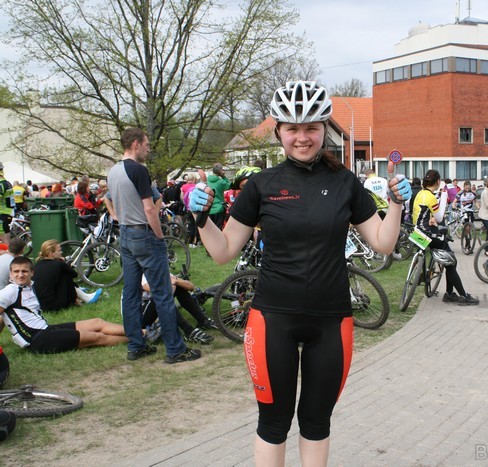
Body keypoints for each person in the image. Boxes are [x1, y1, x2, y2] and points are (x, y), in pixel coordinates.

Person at [188, 80, 412, 466]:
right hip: (272, 318)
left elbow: (383, 243)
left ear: (325, 128)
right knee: (274, 422)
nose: (303, 137)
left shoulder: (345, 183)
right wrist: (200, 217)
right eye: (292, 128)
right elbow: (223, 252)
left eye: (311, 127)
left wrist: (395, 205)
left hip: (332, 322)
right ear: (279, 132)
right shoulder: (261, 185)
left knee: (316, 421)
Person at [107, 127, 200, 364]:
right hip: (144, 234)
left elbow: (110, 201)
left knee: (130, 293)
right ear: (136, 144)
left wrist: (122, 218)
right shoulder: (138, 170)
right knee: (162, 294)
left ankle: (136, 346)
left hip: (126, 233)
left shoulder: (114, 170)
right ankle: (175, 349)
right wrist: (159, 237)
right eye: (147, 145)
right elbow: (150, 209)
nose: (149, 149)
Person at [0, 256, 128, 353]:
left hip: (45, 329)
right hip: (37, 339)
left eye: (24, 271)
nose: (20, 275)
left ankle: (143, 332)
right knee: (97, 337)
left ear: (32, 272)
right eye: (16, 271)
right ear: (11, 274)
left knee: (97, 322)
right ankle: (140, 340)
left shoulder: (29, 286)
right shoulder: (10, 291)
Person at [413, 169, 480, 306]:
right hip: (428, 235)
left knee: (446, 258)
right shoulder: (431, 197)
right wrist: (442, 203)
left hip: (416, 234)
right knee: (451, 260)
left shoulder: (420, 193)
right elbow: (439, 217)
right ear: (438, 182)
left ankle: (449, 293)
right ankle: (462, 295)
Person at [141, 273, 216, 345]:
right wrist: (170, 283)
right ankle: (189, 331)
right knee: (161, 298)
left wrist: (176, 281)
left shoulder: (160, 269)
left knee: (180, 287)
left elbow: (191, 287)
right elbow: (150, 288)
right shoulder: (141, 273)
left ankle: (203, 321)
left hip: (154, 312)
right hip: (142, 321)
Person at [32, 240, 102, 311]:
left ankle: (79, 292)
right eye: (59, 251)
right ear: (51, 253)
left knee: (59, 275)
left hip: (40, 305)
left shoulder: (36, 265)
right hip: (54, 305)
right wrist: (64, 263)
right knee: (65, 274)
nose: (61, 252)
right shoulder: (58, 264)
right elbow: (74, 274)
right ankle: (85, 297)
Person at [206, 163, 232, 230]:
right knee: (218, 229)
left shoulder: (207, 180)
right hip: (218, 208)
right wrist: (224, 177)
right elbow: (230, 186)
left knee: (210, 229)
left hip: (209, 208)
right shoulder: (221, 182)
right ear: (220, 171)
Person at [0, 163, 14, 244]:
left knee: (5, 244)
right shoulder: (7, 183)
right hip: (7, 213)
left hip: (2, 214)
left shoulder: (1, 184)